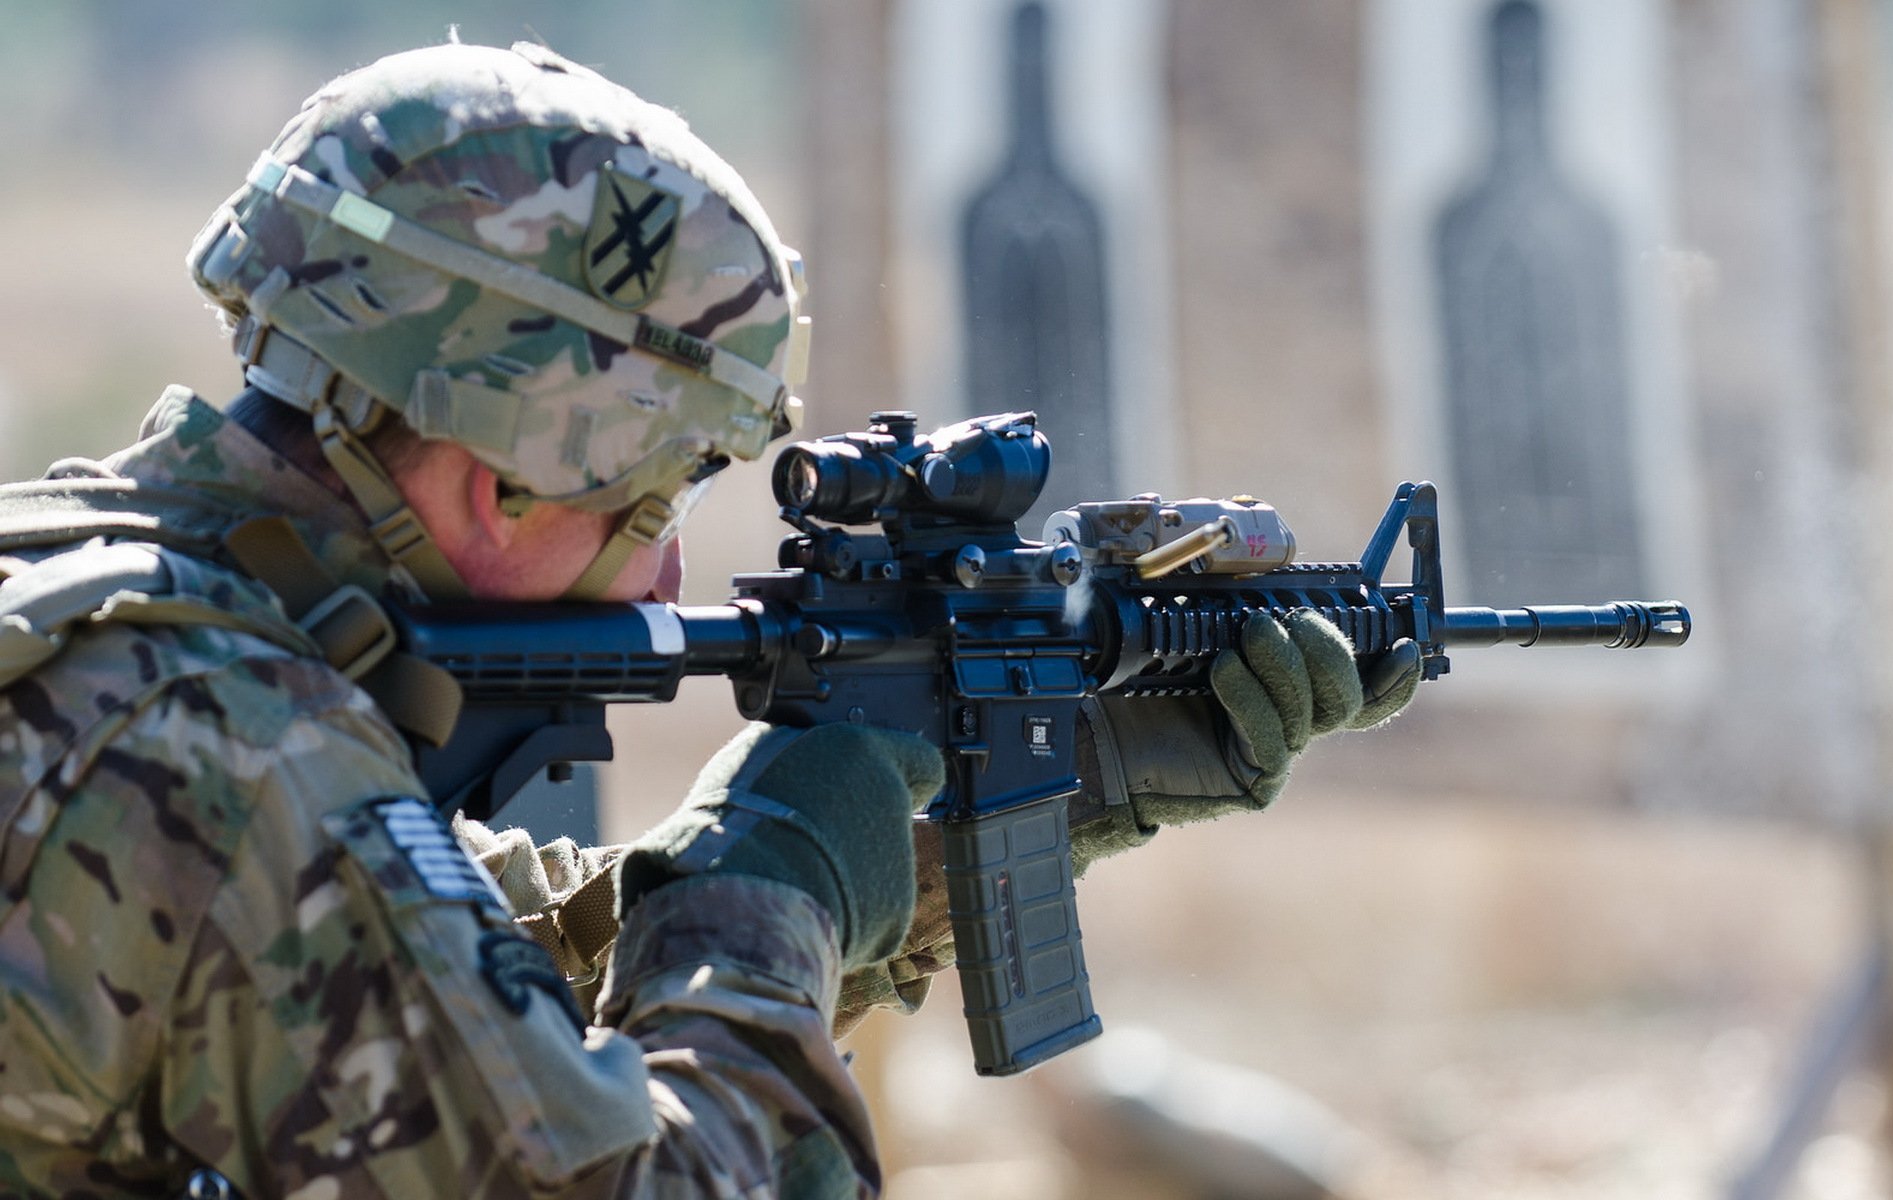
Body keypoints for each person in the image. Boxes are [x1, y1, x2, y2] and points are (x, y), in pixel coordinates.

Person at [0, 41, 1416, 1198]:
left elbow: (464, 982)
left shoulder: (106, 630)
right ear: (499, 476)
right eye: (659, 496)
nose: (670, 579)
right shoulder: (236, 752)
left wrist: (1048, 788)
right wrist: (781, 878)